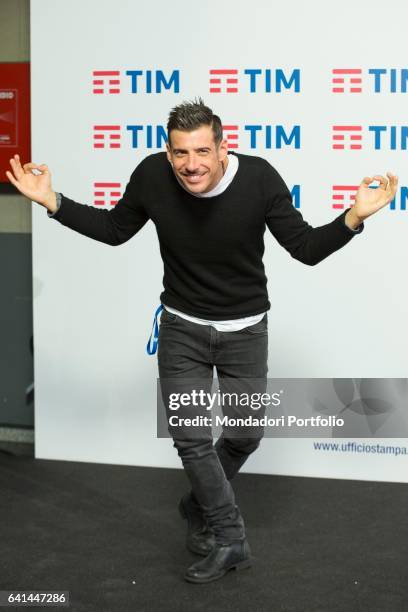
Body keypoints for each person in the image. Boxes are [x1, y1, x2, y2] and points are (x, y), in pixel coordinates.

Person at [5, 98, 398, 584]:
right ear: (168, 153)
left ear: (222, 146)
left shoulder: (258, 179)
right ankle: (229, 536)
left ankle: (197, 504)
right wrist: (53, 201)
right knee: (191, 440)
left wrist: (354, 217)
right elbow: (113, 230)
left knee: (244, 436)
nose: (191, 165)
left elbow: (305, 249)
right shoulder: (152, 175)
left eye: (201, 152)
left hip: (246, 332)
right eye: (179, 153)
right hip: (182, 330)